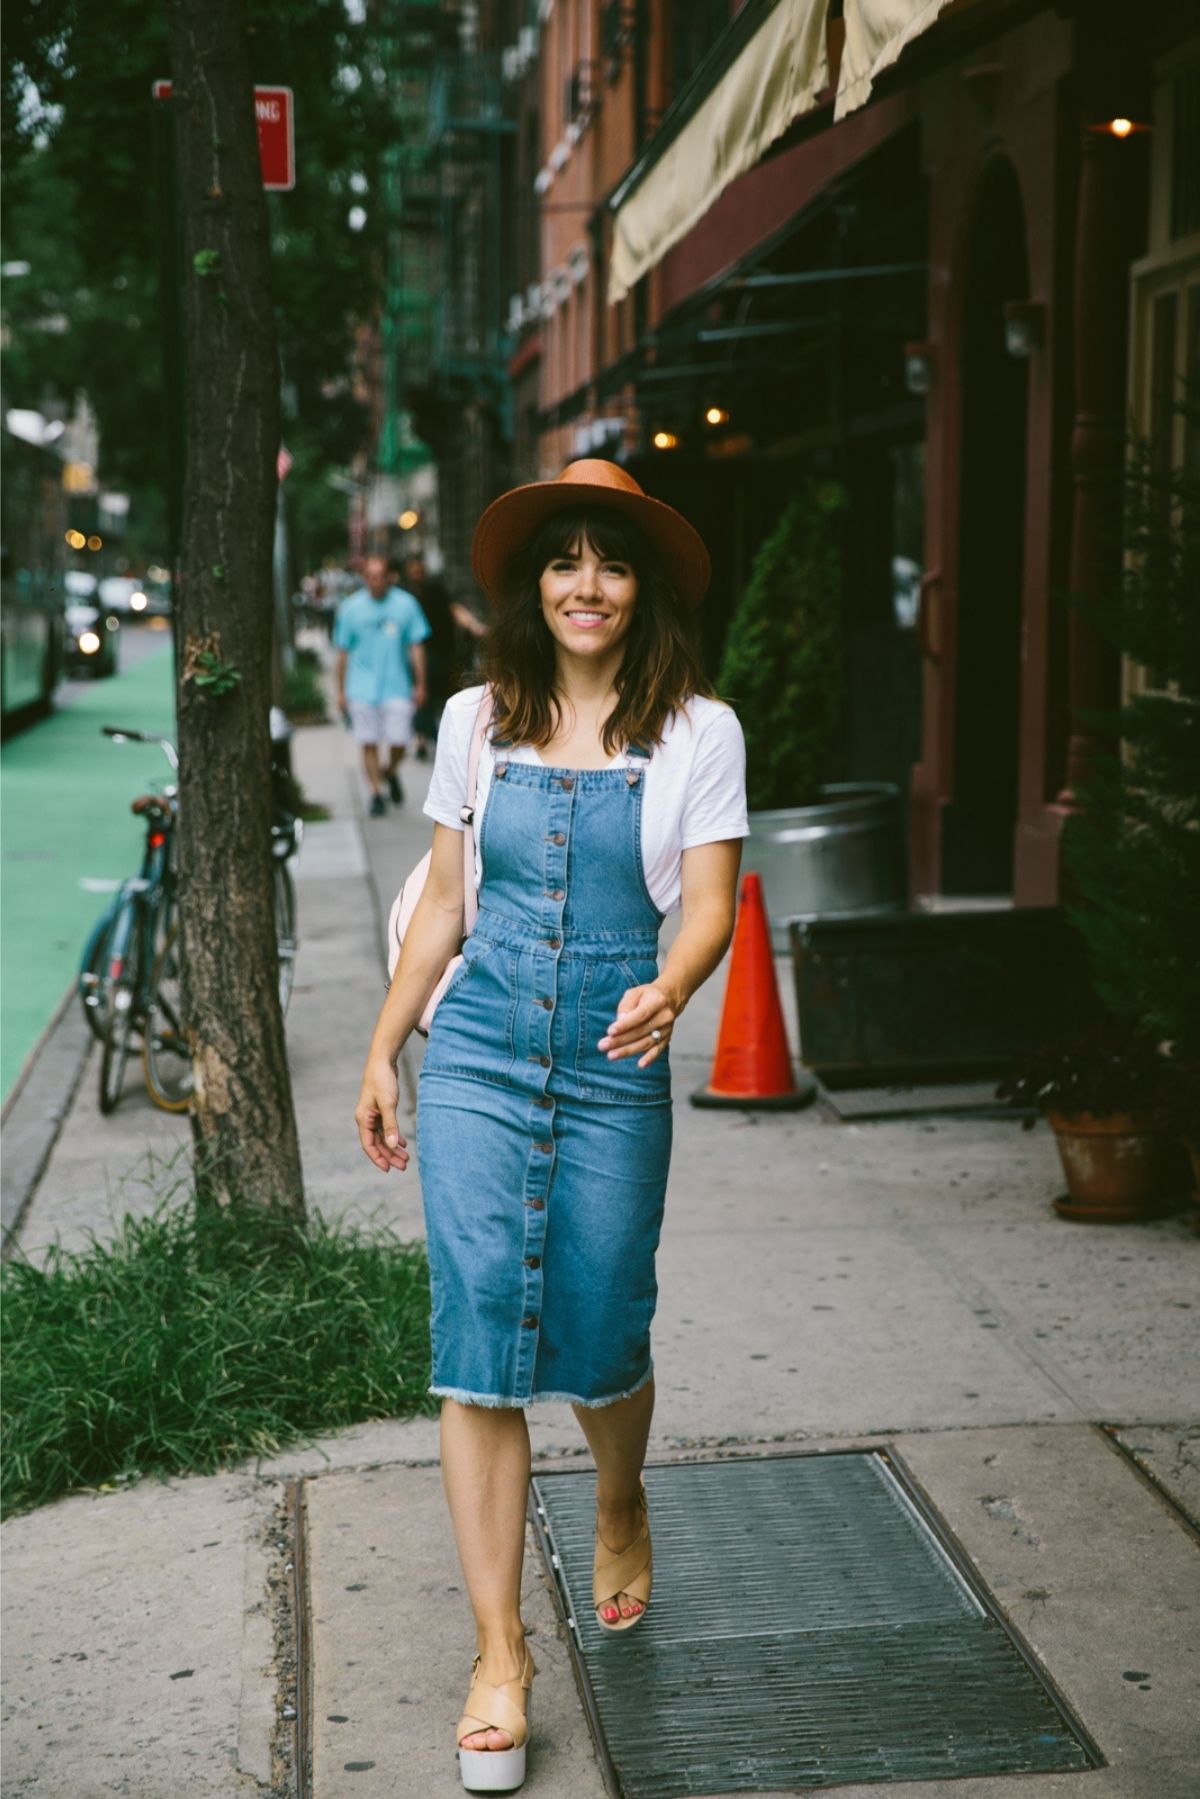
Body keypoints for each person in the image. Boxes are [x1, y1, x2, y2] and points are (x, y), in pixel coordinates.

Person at [352, 460, 747, 1792]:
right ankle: (499, 1654)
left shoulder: (700, 731)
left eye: (614, 560)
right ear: (535, 582)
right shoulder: (477, 718)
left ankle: (620, 1498)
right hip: (478, 1047)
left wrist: (677, 982)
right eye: (565, 559)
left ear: (644, 589)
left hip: (613, 1048)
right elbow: (449, 903)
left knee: (601, 1322)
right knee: (477, 1332)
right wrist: (385, 1044)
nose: (587, 584)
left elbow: (707, 905)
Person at [333, 554, 430, 815]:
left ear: (389, 577)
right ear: (364, 578)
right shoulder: (350, 608)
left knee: (400, 741)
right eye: (370, 576)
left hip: (397, 685)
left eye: (380, 575)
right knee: (369, 741)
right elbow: (342, 653)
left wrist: (421, 683)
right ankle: (376, 792)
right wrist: (340, 691)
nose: (375, 581)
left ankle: (389, 771)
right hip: (361, 688)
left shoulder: (406, 605)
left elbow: (416, 646)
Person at [402, 550, 489, 759]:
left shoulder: (435, 589)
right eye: (413, 568)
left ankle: (436, 737)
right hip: (421, 652)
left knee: (444, 695)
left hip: (444, 651)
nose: (416, 571)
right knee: (423, 697)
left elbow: (455, 608)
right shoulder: (405, 594)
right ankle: (424, 739)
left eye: (419, 567)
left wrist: (474, 626)